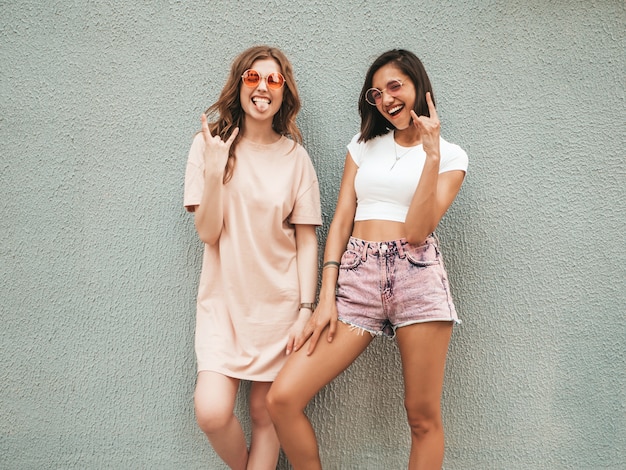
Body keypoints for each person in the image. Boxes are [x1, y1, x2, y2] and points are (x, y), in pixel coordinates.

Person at [267, 49, 468, 469]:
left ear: (418, 85)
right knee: (282, 398)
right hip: (356, 277)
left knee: (422, 416)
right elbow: (340, 220)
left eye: (395, 86)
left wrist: (430, 155)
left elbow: (416, 231)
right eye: (377, 93)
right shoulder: (362, 146)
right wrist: (326, 297)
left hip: (417, 277)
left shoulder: (450, 156)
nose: (386, 99)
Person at [184, 45, 322, 470]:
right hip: (223, 304)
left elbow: (306, 241)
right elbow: (207, 233)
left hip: (279, 310)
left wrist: (305, 309)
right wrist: (214, 168)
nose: (263, 87)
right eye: (253, 77)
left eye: (273, 80)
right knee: (210, 412)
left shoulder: (296, 159)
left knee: (266, 416)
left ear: (284, 93)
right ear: (239, 84)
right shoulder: (208, 146)